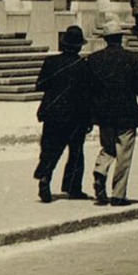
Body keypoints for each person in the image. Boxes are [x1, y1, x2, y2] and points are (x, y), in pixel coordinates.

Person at [86, 18, 138, 206]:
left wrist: (90, 116)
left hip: (103, 114)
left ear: (105, 39)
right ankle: (118, 194)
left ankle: (101, 169)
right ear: (121, 37)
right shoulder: (133, 58)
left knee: (108, 148)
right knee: (124, 154)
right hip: (127, 113)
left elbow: (89, 90)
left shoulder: (94, 59)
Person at [33, 25, 92, 202]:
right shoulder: (83, 65)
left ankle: (45, 177)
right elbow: (88, 93)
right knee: (75, 152)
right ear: (79, 46)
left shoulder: (51, 62)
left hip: (53, 113)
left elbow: (40, 84)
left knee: (50, 149)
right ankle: (73, 188)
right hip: (76, 116)